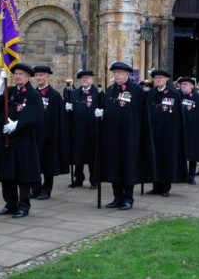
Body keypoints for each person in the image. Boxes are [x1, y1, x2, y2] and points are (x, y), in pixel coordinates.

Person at [0, 63, 43, 218]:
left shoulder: (33, 95)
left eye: (21, 74)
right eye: (16, 74)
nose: (18, 76)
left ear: (28, 76)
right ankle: (10, 203)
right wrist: (0, 81)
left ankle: (23, 206)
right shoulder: (10, 91)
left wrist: (16, 125)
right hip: (7, 141)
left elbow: (35, 117)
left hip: (23, 141)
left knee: (23, 175)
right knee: (7, 174)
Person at [97, 61, 156, 209]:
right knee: (114, 166)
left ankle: (128, 198)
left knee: (128, 166)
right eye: (115, 73)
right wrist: (100, 115)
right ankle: (117, 197)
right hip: (112, 136)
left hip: (130, 136)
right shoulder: (110, 90)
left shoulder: (137, 91)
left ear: (127, 74)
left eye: (119, 73)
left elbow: (142, 115)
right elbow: (106, 108)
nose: (116, 76)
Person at [146, 69, 186, 196]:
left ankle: (165, 187)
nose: (158, 80)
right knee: (155, 159)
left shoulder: (174, 94)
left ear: (166, 80)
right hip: (154, 132)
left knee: (167, 159)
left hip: (168, 133)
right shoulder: (150, 93)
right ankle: (155, 186)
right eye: (155, 78)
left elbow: (178, 116)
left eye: (160, 78)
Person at [32, 65, 69, 200]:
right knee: (34, 163)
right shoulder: (32, 94)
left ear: (47, 77)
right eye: (37, 75)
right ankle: (35, 188)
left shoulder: (54, 96)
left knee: (48, 163)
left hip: (49, 135)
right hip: (34, 135)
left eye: (41, 75)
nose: (39, 78)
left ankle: (46, 190)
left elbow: (60, 118)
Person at [66, 69, 100, 189]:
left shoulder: (97, 93)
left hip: (92, 130)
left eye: (87, 78)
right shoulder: (75, 93)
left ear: (92, 80)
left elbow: (102, 107)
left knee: (92, 156)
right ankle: (78, 178)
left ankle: (94, 180)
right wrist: (68, 110)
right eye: (82, 78)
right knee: (78, 155)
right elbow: (71, 110)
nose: (84, 80)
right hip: (78, 129)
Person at [178, 76, 199, 184]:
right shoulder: (178, 95)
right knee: (180, 153)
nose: (183, 86)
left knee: (192, 154)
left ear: (191, 85)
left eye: (186, 84)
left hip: (193, 131)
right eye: (182, 84)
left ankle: (191, 176)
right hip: (180, 130)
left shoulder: (198, 97)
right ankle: (180, 175)